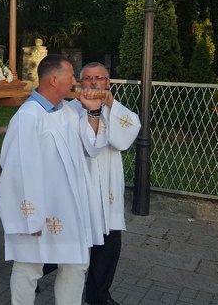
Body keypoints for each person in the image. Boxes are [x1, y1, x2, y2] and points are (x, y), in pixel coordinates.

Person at [0, 54, 106, 305]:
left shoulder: (66, 111)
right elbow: (17, 170)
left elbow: (92, 147)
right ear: (54, 79)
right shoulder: (29, 117)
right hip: (41, 211)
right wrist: (29, 216)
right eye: (71, 77)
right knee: (29, 267)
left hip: (67, 209)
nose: (75, 82)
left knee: (75, 264)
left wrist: (94, 112)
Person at [72, 62, 141, 305]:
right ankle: (33, 273)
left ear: (108, 84)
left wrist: (110, 105)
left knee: (109, 243)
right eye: (87, 78)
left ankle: (98, 294)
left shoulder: (116, 110)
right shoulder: (70, 109)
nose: (93, 83)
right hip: (81, 183)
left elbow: (129, 132)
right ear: (80, 83)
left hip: (108, 187)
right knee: (69, 240)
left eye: (99, 78)